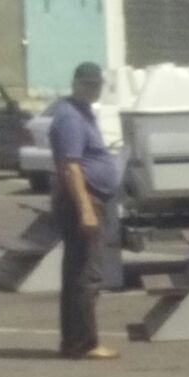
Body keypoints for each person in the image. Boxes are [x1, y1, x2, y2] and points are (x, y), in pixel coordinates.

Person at [49, 61, 120, 359]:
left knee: (80, 270)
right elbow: (71, 167)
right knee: (85, 273)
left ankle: (76, 340)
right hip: (84, 200)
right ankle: (84, 342)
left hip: (89, 199)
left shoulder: (82, 113)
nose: (94, 89)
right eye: (89, 84)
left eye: (97, 85)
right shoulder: (71, 117)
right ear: (76, 83)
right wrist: (86, 209)